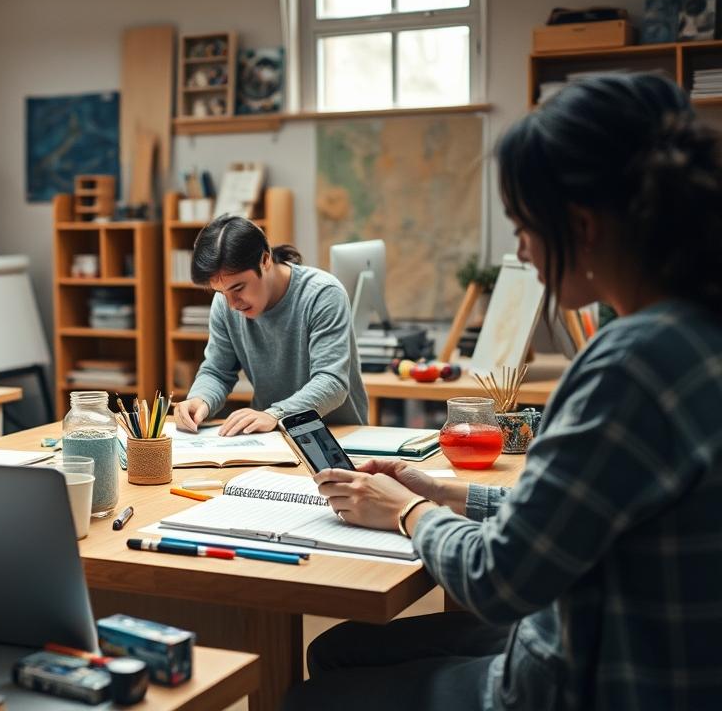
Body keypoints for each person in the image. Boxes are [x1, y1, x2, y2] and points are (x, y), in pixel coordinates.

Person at [288, 73, 722, 709]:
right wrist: (444, 490)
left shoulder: (629, 364)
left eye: (522, 225)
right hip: (635, 632)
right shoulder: (691, 330)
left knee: (309, 696)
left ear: (582, 224)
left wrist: (405, 511)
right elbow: (573, 515)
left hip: (594, 676)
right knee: (338, 648)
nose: (518, 248)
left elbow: (501, 579)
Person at [172, 216, 368, 434]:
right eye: (221, 292)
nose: (232, 304)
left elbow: (332, 382)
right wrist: (200, 399)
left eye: (238, 288)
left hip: (336, 433)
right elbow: (217, 371)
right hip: (272, 437)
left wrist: (275, 414)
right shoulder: (224, 304)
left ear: (265, 260)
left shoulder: (323, 294)